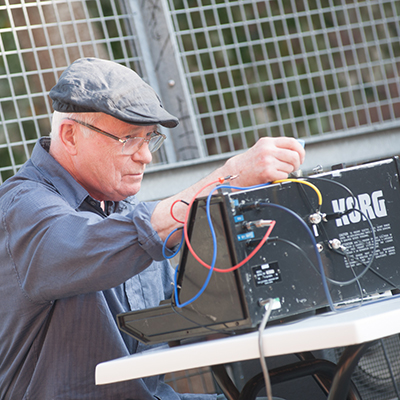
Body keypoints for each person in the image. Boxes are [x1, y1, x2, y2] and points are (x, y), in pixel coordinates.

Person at [0, 58, 305, 400]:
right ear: (70, 135)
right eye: (129, 138)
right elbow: (91, 243)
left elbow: (185, 311)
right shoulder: (22, 207)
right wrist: (225, 180)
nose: (146, 156)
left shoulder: (119, 207)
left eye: (149, 138)